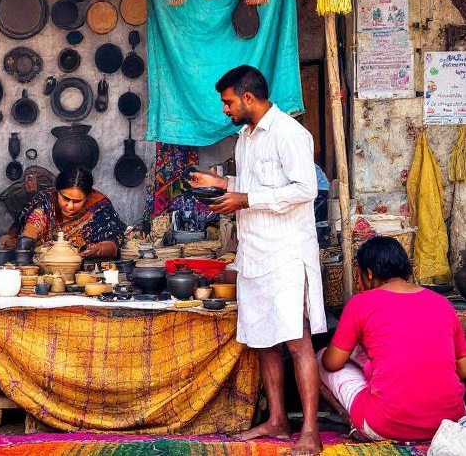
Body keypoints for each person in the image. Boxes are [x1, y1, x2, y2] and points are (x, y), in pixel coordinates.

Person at [189, 65, 326, 456]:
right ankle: (279, 420)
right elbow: (251, 186)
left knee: (297, 342)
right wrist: (219, 185)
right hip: (255, 253)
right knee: (265, 340)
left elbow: (305, 188)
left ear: (248, 98)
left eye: (228, 102)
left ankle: (311, 432)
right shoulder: (245, 139)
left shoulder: (289, 134)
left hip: (285, 254)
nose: (225, 110)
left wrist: (245, 200)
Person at [318, 236, 466, 442]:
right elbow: (463, 369)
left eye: (359, 275)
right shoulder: (443, 304)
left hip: (385, 425)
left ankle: (353, 422)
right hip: (449, 422)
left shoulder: (360, 303)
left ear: (369, 273)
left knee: (320, 358)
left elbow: (332, 363)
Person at [12, 167, 124, 258]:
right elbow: (24, 240)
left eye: (77, 201)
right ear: (56, 190)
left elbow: (113, 247)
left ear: (88, 196)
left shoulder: (99, 207)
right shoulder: (43, 203)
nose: (70, 206)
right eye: (65, 198)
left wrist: (97, 249)